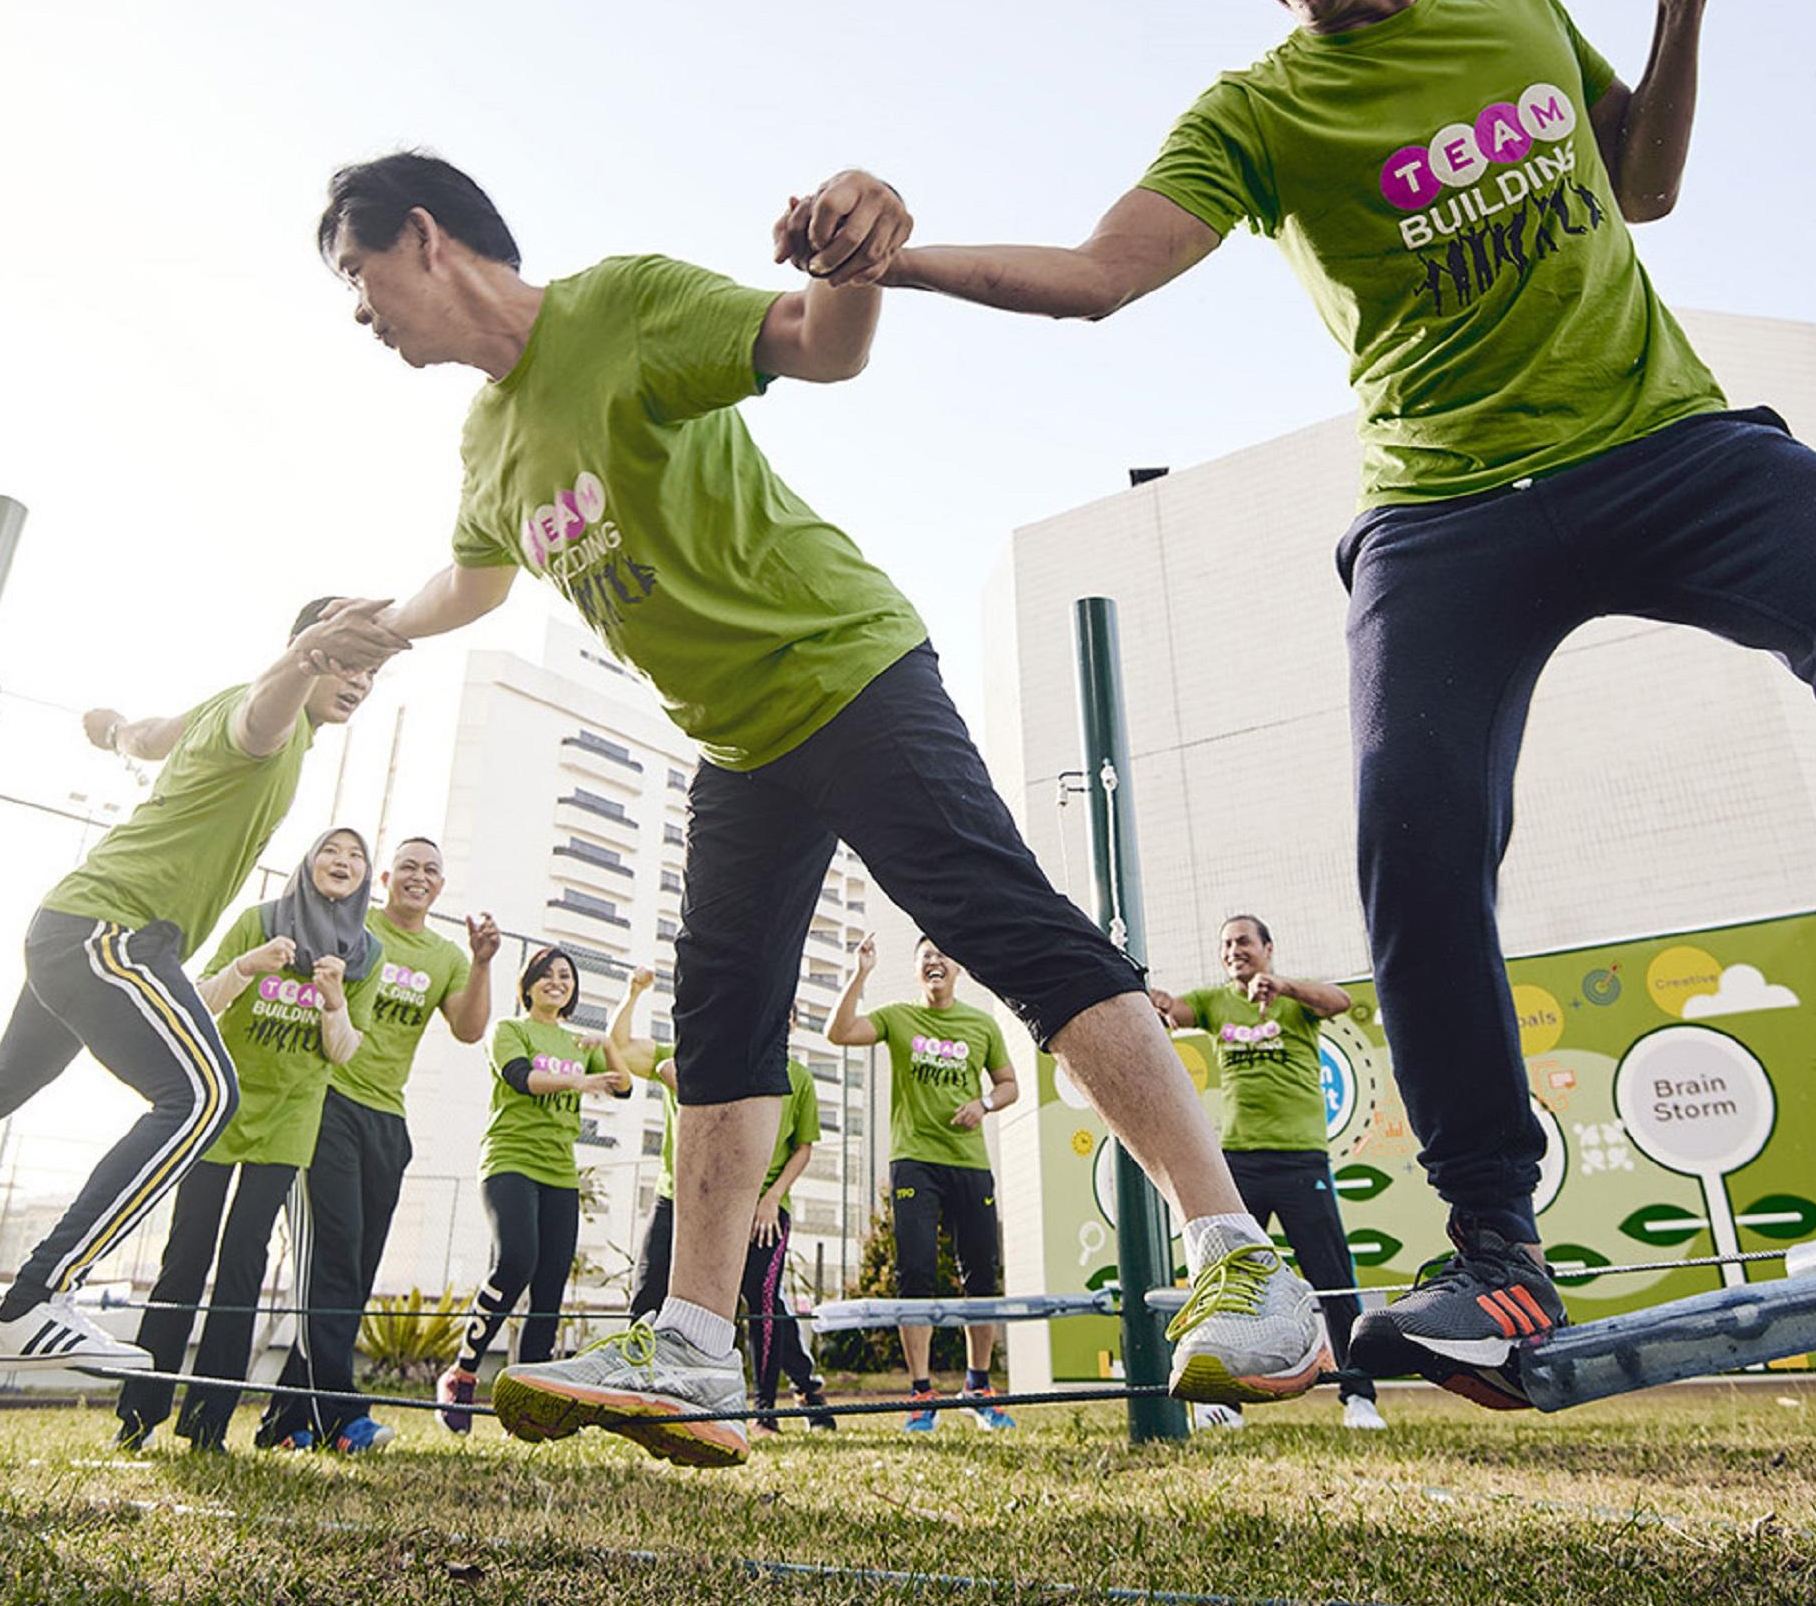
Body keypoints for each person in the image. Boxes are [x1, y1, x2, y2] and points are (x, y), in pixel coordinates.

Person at [812, 0, 1816, 1406]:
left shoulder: (1512, 3)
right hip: (1448, 510)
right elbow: (1099, 278)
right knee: (1411, 824)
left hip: (1660, 445)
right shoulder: (1257, 113)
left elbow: (1640, 185)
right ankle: (1496, 1251)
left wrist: (1677, 0)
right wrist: (894, 258)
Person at [316, 151, 1330, 1467]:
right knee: (721, 1009)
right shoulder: (485, 442)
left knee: (1005, 924)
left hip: (845, 667)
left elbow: (815, 343)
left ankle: (1242, 1260)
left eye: (357, 277)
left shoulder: (616, 306)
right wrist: (379, 628)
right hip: (739, 740)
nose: (359, 313)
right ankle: (691, 1340)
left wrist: (852, 260)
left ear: (424, 233)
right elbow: (472, 580)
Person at [0, 598, 405, 1370]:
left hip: (75, 924)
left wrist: (113, 729)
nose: (358, 681)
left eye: (371, 671)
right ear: (305, 651)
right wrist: (309, 653)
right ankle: (37, 1300)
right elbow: (268, 706)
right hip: (112, 932)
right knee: (205, 1097)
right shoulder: (263, 717)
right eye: (347, 662)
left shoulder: (220, 710)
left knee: (3, 1079)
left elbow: (148, 737)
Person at [117, 828, 374, 1452]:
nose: (342, 863)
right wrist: (244, 968)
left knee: (243, 1264)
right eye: (330, 852)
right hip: (221, 1107)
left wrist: (334, 1002)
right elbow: (194, 1004)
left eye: (356, 855)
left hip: (290, 1120)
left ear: (366, 876)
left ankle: (208, 1423)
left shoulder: (367, 952)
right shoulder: (259, 922)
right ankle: (139, 1415)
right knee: (185, 1256)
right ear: (309, 862)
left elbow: (342, 1053)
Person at [254, 835, 501, 1452]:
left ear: (440, 887)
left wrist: (481, 962)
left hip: (387, 1121)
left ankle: (287, 1422)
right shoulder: (354, 926)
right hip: (327, 1100)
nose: (420, 877)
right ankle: (343, 1417)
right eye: (409, 867)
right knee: (331, 1260)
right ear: (386, 877)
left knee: (352, 1275)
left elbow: (469, 1031)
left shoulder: (443, 954)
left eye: (432, 871)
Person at [1152, 913, 1383, 1430]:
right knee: (1230, 1276)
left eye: (1244, 942)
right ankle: (1223, 1403)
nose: (1235, 950)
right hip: (1237, 1161)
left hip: (1301, 1157)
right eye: (1227, 944)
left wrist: (1283, 987)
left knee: (1331, 1277)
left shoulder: (1295, 1002)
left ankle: (1358, 1395)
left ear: (1267, 948)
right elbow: (1178, 1011)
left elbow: (1341, 1001)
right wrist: (1160, 1003)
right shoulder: (1216, 1002)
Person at [434, 948, 646, 1434]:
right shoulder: (509, 1030)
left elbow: (625, 1088)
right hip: (510, 1159)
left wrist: (604, 1047)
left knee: (549, 1287)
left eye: (566, 977)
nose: (557, 982)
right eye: (546, 975)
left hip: (559, 1170)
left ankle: (528, 1406)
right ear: (527, 985)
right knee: (515, 1262)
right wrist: (581, 1078)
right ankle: (463, 1373)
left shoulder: (578, 1041)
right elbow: (521, 1078)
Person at [826, 937, 1018, 1432]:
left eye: (944, 953)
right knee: (915, 1274)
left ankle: (979, 1385)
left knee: (981, 1274)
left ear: (959, 966)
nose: (936, 960)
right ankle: (921, 1391)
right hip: (914, 1162)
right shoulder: (898, 1018)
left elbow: (1008, 1084)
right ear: (917, 969)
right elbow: (838, 1032)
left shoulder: (982, 1024)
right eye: (926, 954)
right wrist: (861, 973)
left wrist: (985, 1105)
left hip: (970, 1162)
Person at [616, 1018, 839, 1433]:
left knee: (762, 1300)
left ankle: (767, 1411)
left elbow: (803, 1147)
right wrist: (634, 992)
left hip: (760, 1208)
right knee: (649, 1289)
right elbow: (623, 1050)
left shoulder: (797, 1076)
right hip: (684, 1199)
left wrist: (770, 1199)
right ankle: (636, 1394)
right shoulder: (686, 1055)